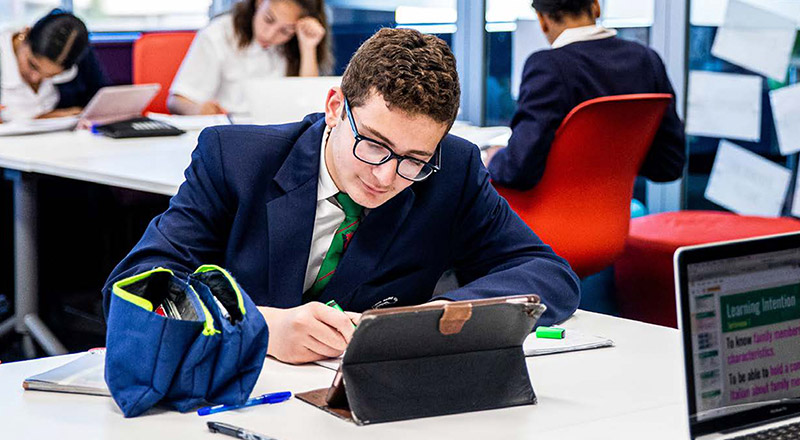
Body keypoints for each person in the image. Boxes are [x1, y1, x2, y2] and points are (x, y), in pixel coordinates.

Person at [104, 28, 580, 365]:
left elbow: (549, 275)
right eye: (372, 144)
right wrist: (260, 327)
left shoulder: (450, 171)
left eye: (413, 159)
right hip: (238, 397)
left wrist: (442, 319)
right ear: (335, 108)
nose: (385, 176)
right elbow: (132, 290)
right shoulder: (236, 158)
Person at [487, 0, 686, 190]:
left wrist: (494, 158)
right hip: (615, 218)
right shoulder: (647, 60)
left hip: (548, 216)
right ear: (596, 6)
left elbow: (518, 170)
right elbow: (670, 164)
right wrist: (615, 164)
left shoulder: (548, 66)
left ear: (542, 20)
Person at [168, 0, 332, 116]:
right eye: (268, 19)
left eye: (285, 31)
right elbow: (176, 101)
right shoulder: (218, 34)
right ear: (259, 2)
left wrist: (308, 47)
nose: (269, 34)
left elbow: (308, 105)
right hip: (226, 133)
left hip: (275, 136)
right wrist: (198, 110)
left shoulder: (293, 47)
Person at [0, 9, 107, 123]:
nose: (35, 78)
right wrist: (45, 118)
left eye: (51, 75)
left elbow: (99, 104)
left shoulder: (78, 56)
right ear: (25, 34)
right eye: (33, 65)